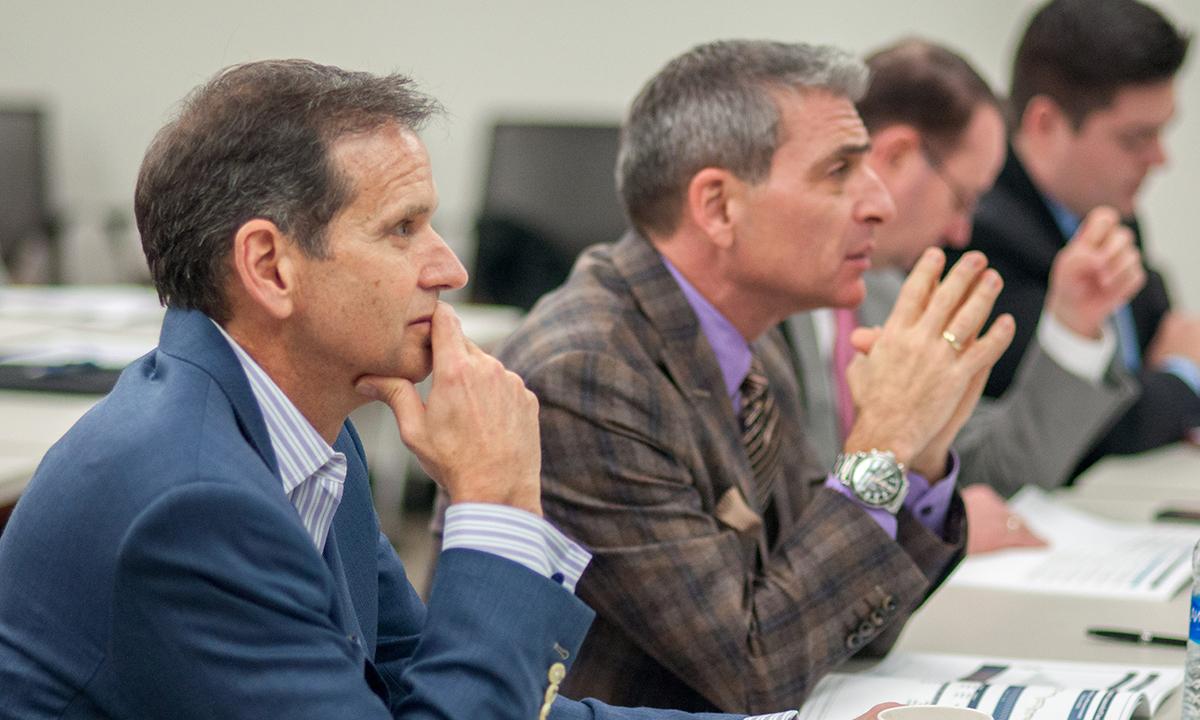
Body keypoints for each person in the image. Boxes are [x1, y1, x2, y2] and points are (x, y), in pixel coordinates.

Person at [0, 59, 891, 720]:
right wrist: (495, 505)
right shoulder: (190, 499)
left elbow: (461, 692)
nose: (453, 268)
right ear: (270, 266)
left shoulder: (306, 432)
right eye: (403, 229)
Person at [496, 40, 1014, 714]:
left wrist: (923, 449)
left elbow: (841, 624)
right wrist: (883, 445)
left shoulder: (753, 348)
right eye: (839, 172)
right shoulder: (587, 377)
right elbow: (754, 672)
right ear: (717, 207)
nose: (880, 204)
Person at [784, 40, 1146, 552]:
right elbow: (785, 531)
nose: (961, 231)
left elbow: (992, 467)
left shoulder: (890, 295)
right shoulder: (762, 305)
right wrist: (927, 529)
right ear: (898, 155)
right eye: (964, 197)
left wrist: (1074, 326)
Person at [950, 0, 1199, 475]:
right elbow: (1083, 428)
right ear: (1045, 124)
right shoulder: (975, 236)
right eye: (1134, 139)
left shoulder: (1105, 207)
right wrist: (1183, 377)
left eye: (1162, 133)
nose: (1160, 159)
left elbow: (1158, 339)